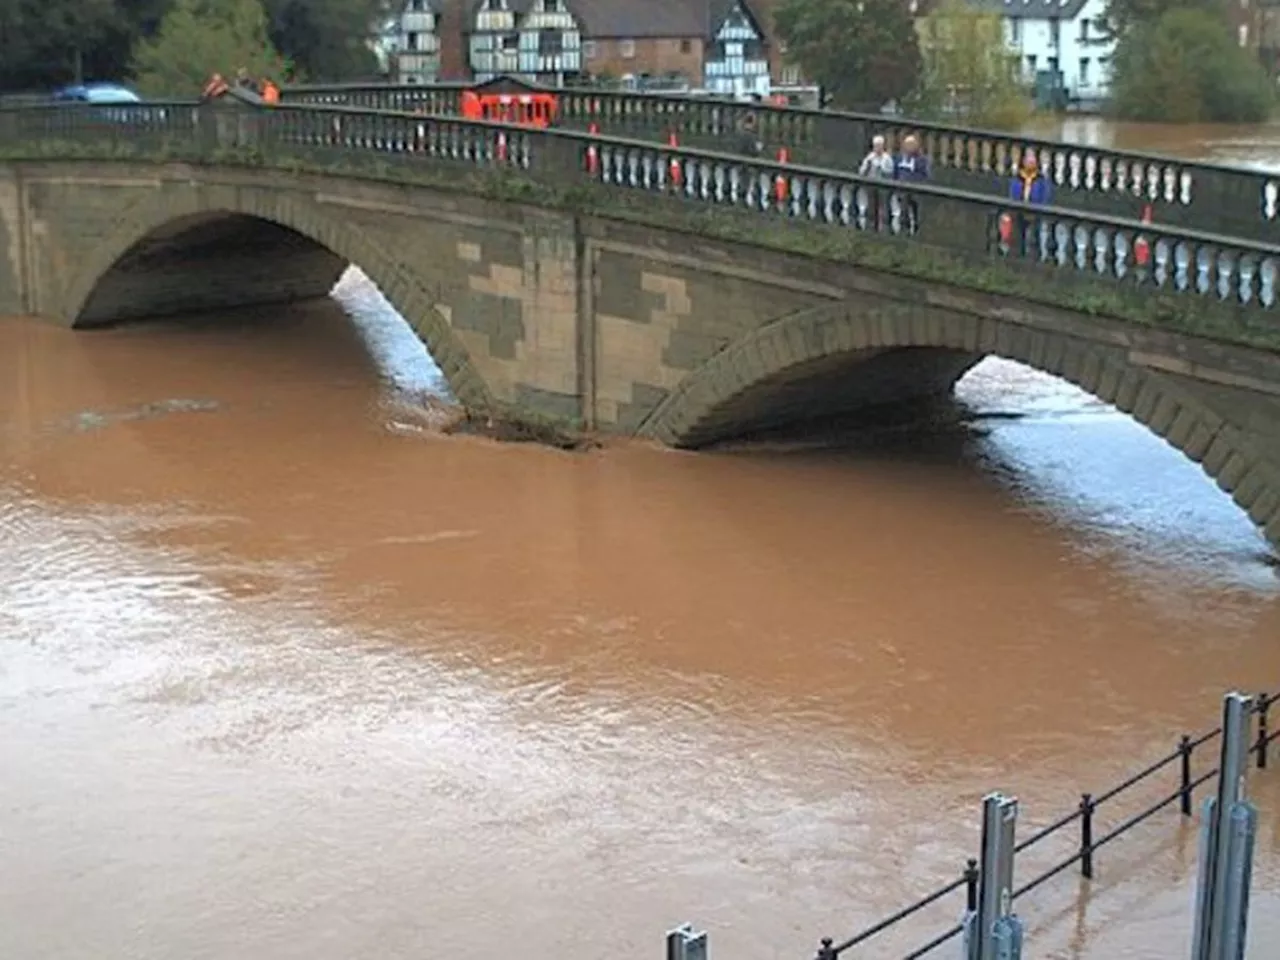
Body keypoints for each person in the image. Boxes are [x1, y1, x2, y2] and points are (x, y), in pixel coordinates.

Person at [892, 134, 929, 233]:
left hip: (916, 188)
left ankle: (916, 225)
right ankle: (904, 225)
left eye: (912, 145)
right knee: (903, 205)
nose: (909, 147)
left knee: (915, 207)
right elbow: (895, 172)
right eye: (907, 145)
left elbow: (925, 174)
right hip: (901, 188)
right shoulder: (899, 157)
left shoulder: (922, 159)